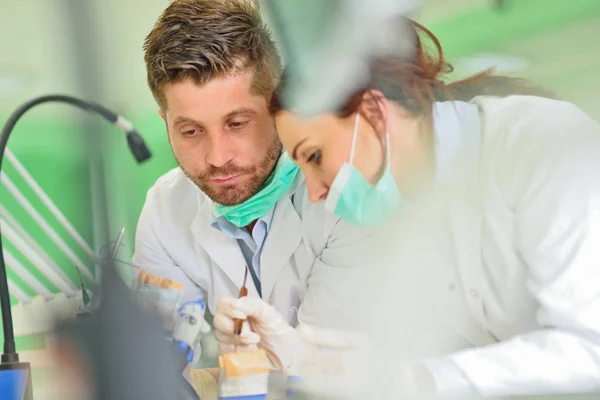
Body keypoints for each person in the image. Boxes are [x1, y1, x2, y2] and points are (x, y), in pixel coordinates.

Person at [214, 19, 600, 398]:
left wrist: (420, 380)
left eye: (315, 156)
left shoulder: (538, 144)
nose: (314, 193)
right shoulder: (402, 210)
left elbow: (590, 349)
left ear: (374, 112)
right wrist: (293, 354)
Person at [134, 0, 376, 385]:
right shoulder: (166, 210)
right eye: (191, 131)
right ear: (166, 122)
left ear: (278, 105)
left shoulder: (342, 197)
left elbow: (341, 377)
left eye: (237, 123)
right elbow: (155, 362)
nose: (217, 158)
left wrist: (283, 359)